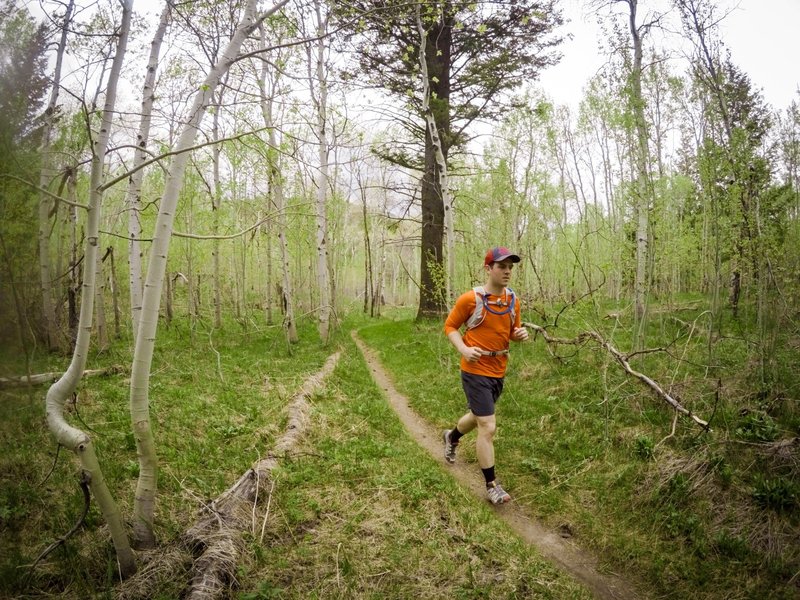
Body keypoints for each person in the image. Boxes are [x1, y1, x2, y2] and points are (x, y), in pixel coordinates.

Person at [443, 246, 529, 505]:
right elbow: (450, 326)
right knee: (488, 426)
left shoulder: (513, 300)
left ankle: (452, 436)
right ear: (488, 268)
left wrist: (519, 335)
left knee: (478, 416)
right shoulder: (471, 299)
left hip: (498, 370)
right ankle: (492, 485)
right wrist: (463, 348)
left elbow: (512, 330)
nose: (507, 272)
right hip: (474, 369)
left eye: (510, 267)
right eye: (502, 266)